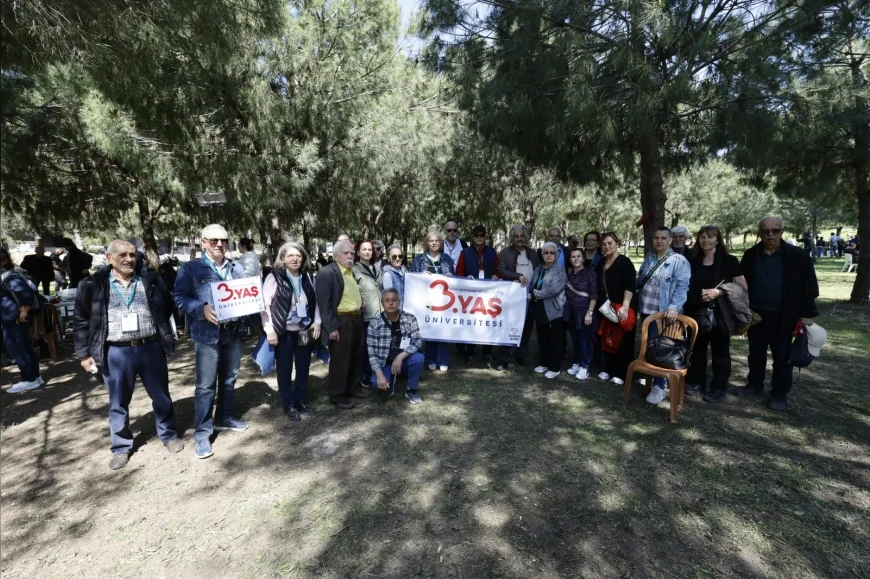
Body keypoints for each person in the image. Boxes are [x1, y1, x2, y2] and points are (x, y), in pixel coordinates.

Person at [74, 240, 182, 470]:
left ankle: (169, 434)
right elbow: (81, 320)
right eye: (122, 254)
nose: (129, 259)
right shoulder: (92, 285)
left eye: (132, 255)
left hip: (150, 347)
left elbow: (169, 306)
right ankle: (121, 446)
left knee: (161, 396)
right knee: (118, 402)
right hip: (115, 351)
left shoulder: (150, 280)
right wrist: (84, 354)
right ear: (109, 257)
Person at [175, 224, 250, 460]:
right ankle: (202, 434)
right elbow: (179, 298)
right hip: (207, 335)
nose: (220, 244)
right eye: (215, 240)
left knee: (230, 378)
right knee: (206, 386)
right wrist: (201, 308)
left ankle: (224, 418)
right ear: (203, 242)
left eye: (224, 241)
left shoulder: (236, 267)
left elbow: (246, 294)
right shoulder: (191, 269)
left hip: (233, 332)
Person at [734, 217, 819, 411]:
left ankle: (779, 394)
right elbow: (741, 285)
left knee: (782, 356)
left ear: (782, 231)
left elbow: (809, 287)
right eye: (765, 231)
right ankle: (755, 384)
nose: (770, 234)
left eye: (775, 230)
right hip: (756, 315)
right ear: (759, 233)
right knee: (756, 353)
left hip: (784, 315)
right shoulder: (751, 255)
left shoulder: (798, 256)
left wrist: (807, 313)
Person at [684, 226, 747, 403]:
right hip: (697, 311)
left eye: (710, 237)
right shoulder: (693, 260)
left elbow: (742, 287)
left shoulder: (729, 261)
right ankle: (696, 382)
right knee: (697, 350)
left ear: (718, 240)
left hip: (720, 313)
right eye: (702, 237)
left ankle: (719, 388)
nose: (706, 240)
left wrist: (719, 292)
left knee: (721, 352)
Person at [262, 241, 321, 421]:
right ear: (283, 259)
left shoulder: (309, 277)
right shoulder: (274, 277)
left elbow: (316, 302)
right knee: (285, 369)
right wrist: (269, 330)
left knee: (303, 367)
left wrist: (317, 321)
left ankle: (301, 400)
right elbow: (264, 306)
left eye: (298, 256)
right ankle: (288, 404)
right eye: (290, 256)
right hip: (283, 331)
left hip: (304, 330)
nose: (295, 259)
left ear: (303, 258)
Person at [636, 227, 691, 404]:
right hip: (646, 310)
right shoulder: (649, 260)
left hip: (664, 313)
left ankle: (660, 386)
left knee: (662, 349)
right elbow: (640, 281)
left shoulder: (679, 261)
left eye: (663, 238)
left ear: (669, 241)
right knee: (649, 347)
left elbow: (682, 287)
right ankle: (652, 377)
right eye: (656, 238)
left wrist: (674, 307)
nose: (659, 241)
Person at [316, 240, 366, 408]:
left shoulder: (350, 271)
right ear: (335, 256)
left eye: (352, 253)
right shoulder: (327, 273)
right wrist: (331, 328)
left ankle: (352, 389)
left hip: (356, 318)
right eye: (346, 253)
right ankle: (337, 395)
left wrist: (359, 304)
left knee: (356, 356)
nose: (350, 256)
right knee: (341, 360)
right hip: (341, 321)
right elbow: (324, 304)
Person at [367, 289, 425, 404]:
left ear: (399, 302)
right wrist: (379, 375)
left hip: (404, 360)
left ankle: (410, 389)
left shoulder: (410, 318)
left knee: (418, 358)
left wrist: (400, 357)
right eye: (387, 300)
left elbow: (417, 341)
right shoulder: (375, 323)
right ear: (382, 303)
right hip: (386, 362)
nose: (390, 303)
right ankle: (390, 377)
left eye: (394, 300)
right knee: (376, 385)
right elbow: (372, 353)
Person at [495, 225, 540, 370]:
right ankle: (503, 359)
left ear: (526, 237)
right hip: (511, 297)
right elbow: (501, 270)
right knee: (508, 326)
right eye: (516, 236)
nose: (519, 239)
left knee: (526, 327)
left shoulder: (533, 254)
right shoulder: (505, 253)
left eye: (522, 236)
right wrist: (518, 276)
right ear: (512, 238)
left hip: (529, 297)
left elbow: (538, 271)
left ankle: (521, 355)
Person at [1, 248, 44, 394]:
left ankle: (28, 379)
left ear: (4, 260)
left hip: (17, 318)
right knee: (23, 347)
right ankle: (35, 377)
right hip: (11, 318)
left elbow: (26, 292)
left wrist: (24, 312)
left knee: (17, 348)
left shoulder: (8, 275)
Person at [596, 232, 637, 385]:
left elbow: (629, 286)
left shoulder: (625, 262)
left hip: (622, 306)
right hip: (607, 307)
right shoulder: (601, 263)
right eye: (604, 244)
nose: (607, 246)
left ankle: (622, 372)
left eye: (610, 243)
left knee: (624, 339)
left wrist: (625, 306)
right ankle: (609, 368)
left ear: (616, 243)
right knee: (607, 337)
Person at [411, 231, 455, 371]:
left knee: (443, 328)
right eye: (431, 240)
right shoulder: (419, 260)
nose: (434, 243)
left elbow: (454, 280)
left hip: (445, 301)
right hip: (426, 301)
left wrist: (450, 276)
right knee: (429, 328)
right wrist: (420, 275)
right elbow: (412, 278)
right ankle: (430, 359)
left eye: (437, 240)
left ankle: (443, 359)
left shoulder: (447, 258)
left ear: (440, 243)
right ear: (426, 243)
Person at [455, 225, 499, 364]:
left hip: (488, 294)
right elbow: (459, 272)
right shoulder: (465, 253)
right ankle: (470, 353)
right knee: (471, 323)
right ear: (472, 237)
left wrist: (496, 276)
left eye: (482, 234)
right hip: (470, 294)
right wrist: (465, 280)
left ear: (486, 236)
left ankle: (487, 352)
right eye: (476, 235)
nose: (479, 237)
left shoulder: (492, 252)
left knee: (488, 323)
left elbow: (498, 270)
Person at [529, 242, 567, 378]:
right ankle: (544, 363)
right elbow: (531, 284)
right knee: (542, 338)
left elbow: (553, 289)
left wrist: (534, 294)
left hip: (554, 310)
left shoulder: (559, 270)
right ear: (542, 254)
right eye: (546, 252)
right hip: (539, 308)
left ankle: (554, 367)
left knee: (555, 340)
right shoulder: (539, 268)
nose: (549, 255)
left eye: (552, 253)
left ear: (556, 255)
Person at [563, 247, 598, 380]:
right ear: (570, 259)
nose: (576, 259)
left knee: (584, 339)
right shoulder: (570, 274)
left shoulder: (590, 274)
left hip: (584, 311)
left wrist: (589, 312)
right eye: (573, 256)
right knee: (576, 339)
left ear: (583, 258)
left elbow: (594, 295)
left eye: (579, 256)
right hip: (571, 311)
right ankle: (577, 362)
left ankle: (585, 366)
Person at [353, 240, 383, 386]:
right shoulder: (354, 269)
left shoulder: (376, 268)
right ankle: (365, 374)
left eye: (370, 249)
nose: (367, 252)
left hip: (380, 314)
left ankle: (376, 371)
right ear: (358, 252)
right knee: (366, 347)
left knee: (377, 345)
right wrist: (359, 302)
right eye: (364, 249)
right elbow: (352, 290)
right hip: (366, 316)